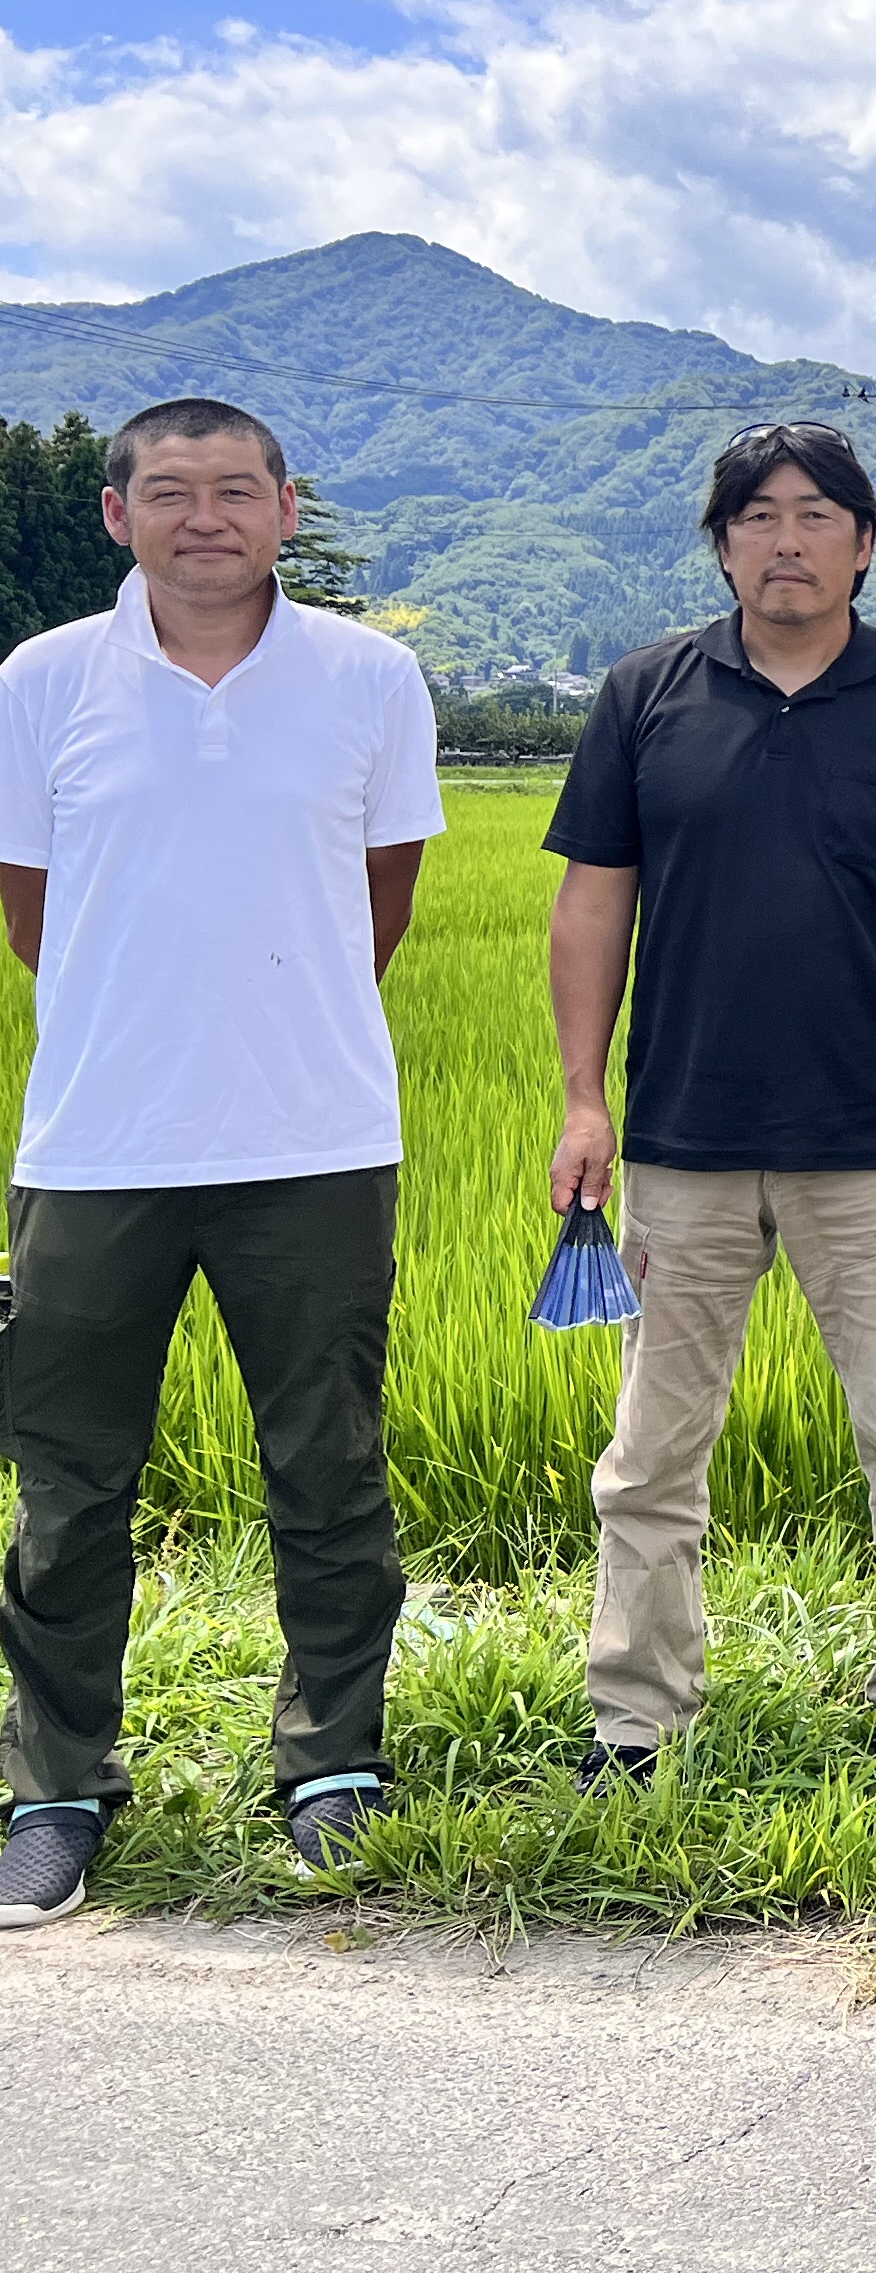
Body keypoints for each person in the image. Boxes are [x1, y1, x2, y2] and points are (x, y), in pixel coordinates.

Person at [0, 398, 446, 1927]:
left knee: (328, 1468)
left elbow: (381, 901)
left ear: (286, 507)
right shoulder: (44, 681)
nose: (207, 517)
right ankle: (56, 1785)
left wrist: (269, 1030)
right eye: (172, 492)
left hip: (315, 1143)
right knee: (66, 1487)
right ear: (118, 514)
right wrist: (147, 1033)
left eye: (237, 491)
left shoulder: (370, 678)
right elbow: (33, 910)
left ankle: (332, 1765)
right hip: (96, 1146)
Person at [545, 421, 876, 1787]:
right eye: (758, 515)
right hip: (683, 1142)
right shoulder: (647, 693)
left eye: (817, 514)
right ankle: (636, 1715)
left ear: (864, 543)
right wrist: (585, 1099)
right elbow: (592, 904)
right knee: (650, 1453)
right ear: (723, 543)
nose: (788, 538)